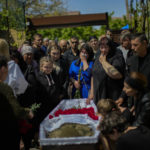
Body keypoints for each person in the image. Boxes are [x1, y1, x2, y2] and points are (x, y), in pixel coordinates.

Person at [0, 55, 34, 150]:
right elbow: (16, 111)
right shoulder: (4, 88)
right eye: (7, 68)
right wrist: (27, 112)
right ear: (3, 69)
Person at [87, 37, 125, 104]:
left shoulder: (116, 55)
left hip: (111, 95)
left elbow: (116, 75)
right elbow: (93, 74)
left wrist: (104, 62)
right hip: (99, 95)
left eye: (106, 47)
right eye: (101, 48)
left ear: (110, 47)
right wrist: (92, 92)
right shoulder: (99, 55)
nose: (103, 50)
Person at [116, 33, 150, 106]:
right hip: (135, 101)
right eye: (132, 45)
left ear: (144, 44)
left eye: (135, 45)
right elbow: (128, 79)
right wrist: (122, 97)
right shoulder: (131, 60)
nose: (132, 48)